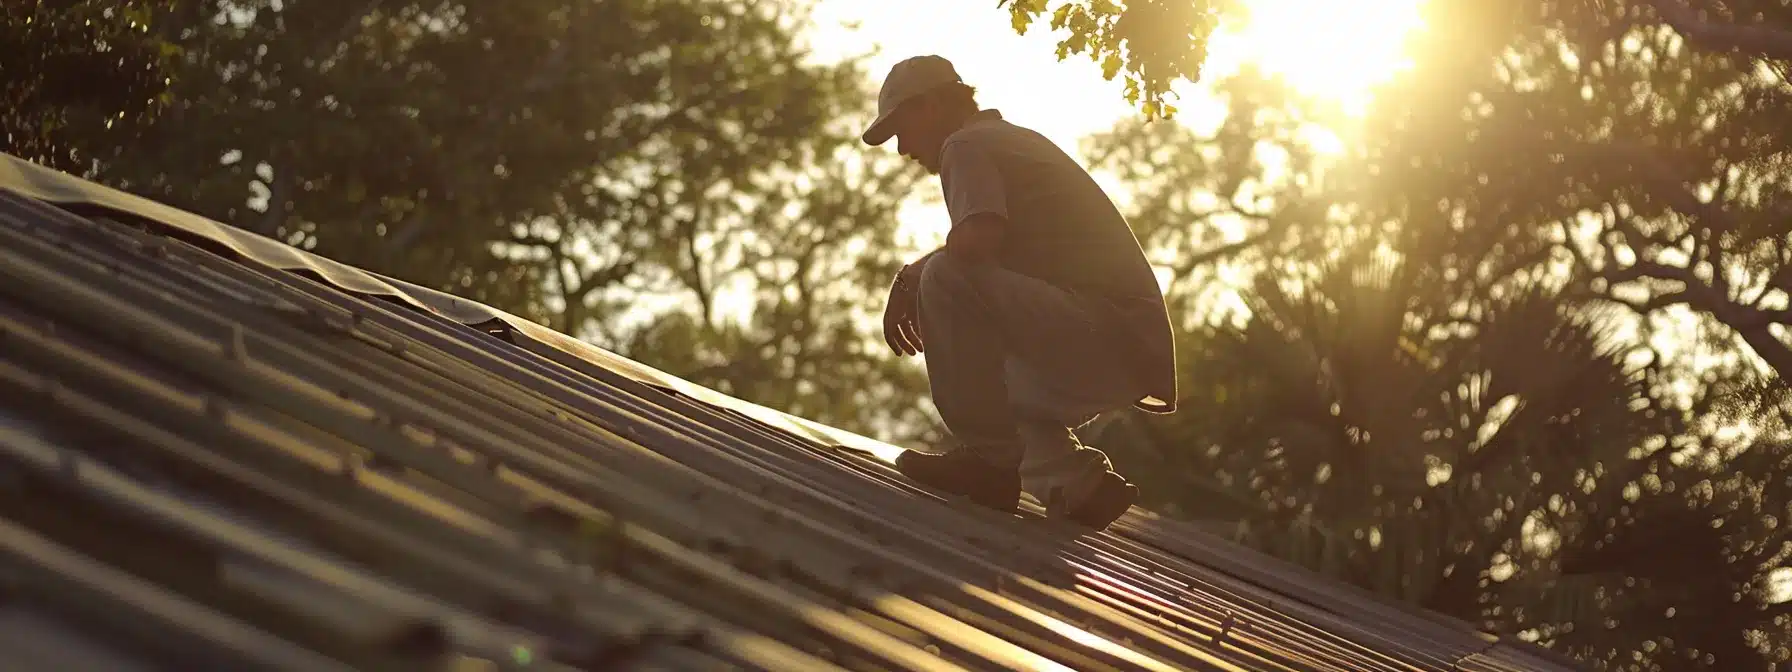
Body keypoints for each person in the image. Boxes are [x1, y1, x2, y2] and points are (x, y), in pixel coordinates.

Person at [860, 54, 1178, 531]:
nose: (903, 148)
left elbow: (978, 239)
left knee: (943, 277)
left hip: (1103, 328)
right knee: (988, 385)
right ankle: (1077, 483)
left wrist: (911, 278)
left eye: (902, 128)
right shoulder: (1007, 139)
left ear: (928, 107)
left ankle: (988, 466)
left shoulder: (965, 144)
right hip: (1124, 347)